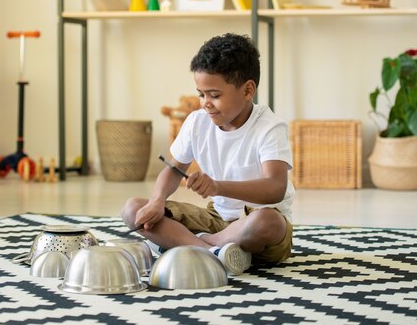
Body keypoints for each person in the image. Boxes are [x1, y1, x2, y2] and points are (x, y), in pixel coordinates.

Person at [121, 33, 295, 275]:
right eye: (201, 94)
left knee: (268, 222)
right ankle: (213, 254)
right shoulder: (197, 122)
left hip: (256, 224)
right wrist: (157, 201)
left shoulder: (269, 127)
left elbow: (275, 187)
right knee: (134, 210)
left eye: (215, 95)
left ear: (247, 90)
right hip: (216, 218)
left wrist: (218, 187)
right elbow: (172, 170)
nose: (205, 103)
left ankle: (191, 246)